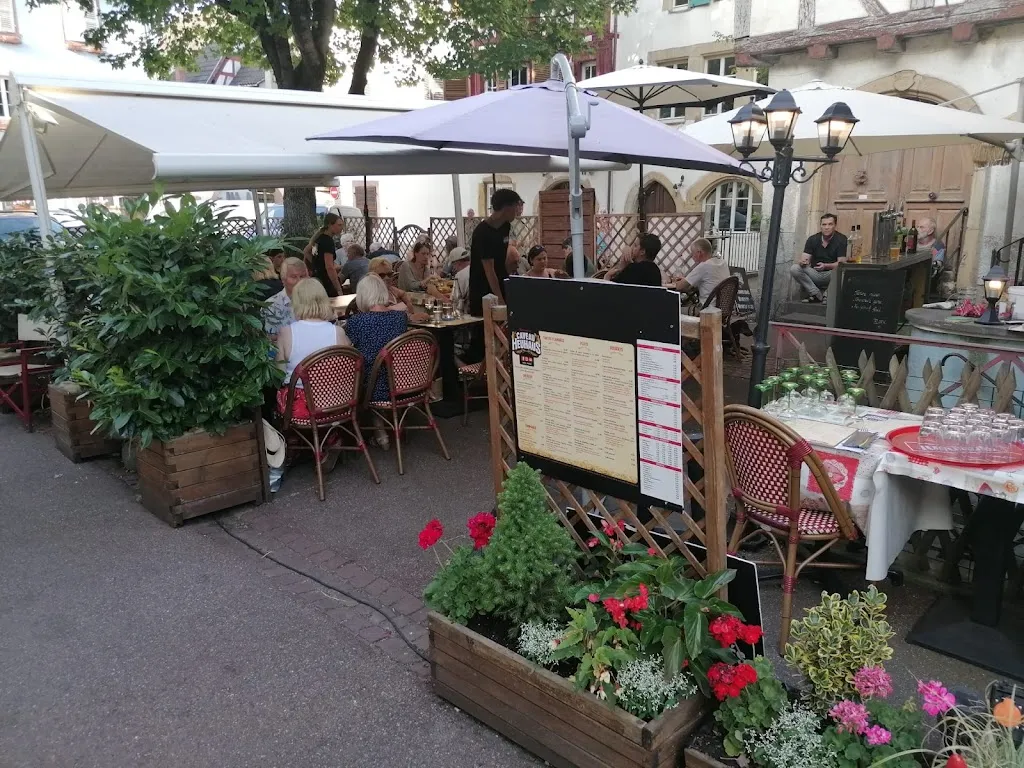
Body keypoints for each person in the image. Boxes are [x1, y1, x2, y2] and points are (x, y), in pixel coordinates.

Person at [344, 273, 409, 449]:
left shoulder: (356, 322)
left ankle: (378, 429)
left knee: (364, 369)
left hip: (373, 386)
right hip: (402, 382)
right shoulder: (400, 318)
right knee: (379, 365)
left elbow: (348, 351)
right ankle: (387, 426)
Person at [275, 278, 350, 424]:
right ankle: (331, 437)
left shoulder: (286, 333)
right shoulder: (337, 332)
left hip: (301, 407)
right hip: (338, 401)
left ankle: (293, 439)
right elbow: (348, 369)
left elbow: (279, 375)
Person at [469, 188, 523, 315]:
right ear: (506, 208)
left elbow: (503, 258)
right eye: (516, 206)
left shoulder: (505, 226)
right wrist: (500, 301)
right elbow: (489, 271)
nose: (518, 211)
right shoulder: (482, 232)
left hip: (501, 284)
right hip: (483, 291)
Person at [790, 213, 847, 303]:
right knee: (795, 268)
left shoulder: (841, 239)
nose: (826, 227)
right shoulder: (812, 239)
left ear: (835, 225)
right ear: (820, 226)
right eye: (824, 224)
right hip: (815, 273)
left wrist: (825, 266)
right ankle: (815, 294)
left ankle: (827, 296)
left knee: (843, 270)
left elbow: (841, 263)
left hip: (831, 274)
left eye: (830, 224)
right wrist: (802, 262)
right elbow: (805, 259)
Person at [367, 257, 429, 322]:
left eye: (389, 274)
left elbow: (409, 310)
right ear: (372, 276)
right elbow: (380, 318)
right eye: (382, 275)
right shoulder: (371, 294)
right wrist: (410, 317)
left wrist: (405, 298)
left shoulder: (392, 290)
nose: (387, 278)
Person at [674, 238, 730, 305]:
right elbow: (709, 282)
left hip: (706, 310)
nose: (692, 256)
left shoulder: (704, 266)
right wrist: (686, 280)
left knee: (676, 311)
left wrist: (674, 282)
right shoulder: (723, 263)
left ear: (699, 253)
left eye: (692, 253)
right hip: (722, 308)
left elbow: (680, 286)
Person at [264, 257, 309, 339]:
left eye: (302, 276)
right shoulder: (272, 306)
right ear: (283, 280)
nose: (299, 281)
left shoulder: (316, 300)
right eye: (294, 277)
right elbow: (272, 341)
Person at [306, 213, 345, 297]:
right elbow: (329, 267)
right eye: (339, 225)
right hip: (326, 282)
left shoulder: (318, 238)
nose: (341, 228)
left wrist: (316, 264)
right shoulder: (328, 242)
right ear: (330, 225)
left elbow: (306, 251)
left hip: (316, 279)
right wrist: (338, 289)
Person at [446, 246, 472, 314]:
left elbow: (455, 300)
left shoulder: (460, 275)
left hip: (468, 315)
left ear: (457, 263)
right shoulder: (477, 269)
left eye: (453, 265)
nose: (453, 268)